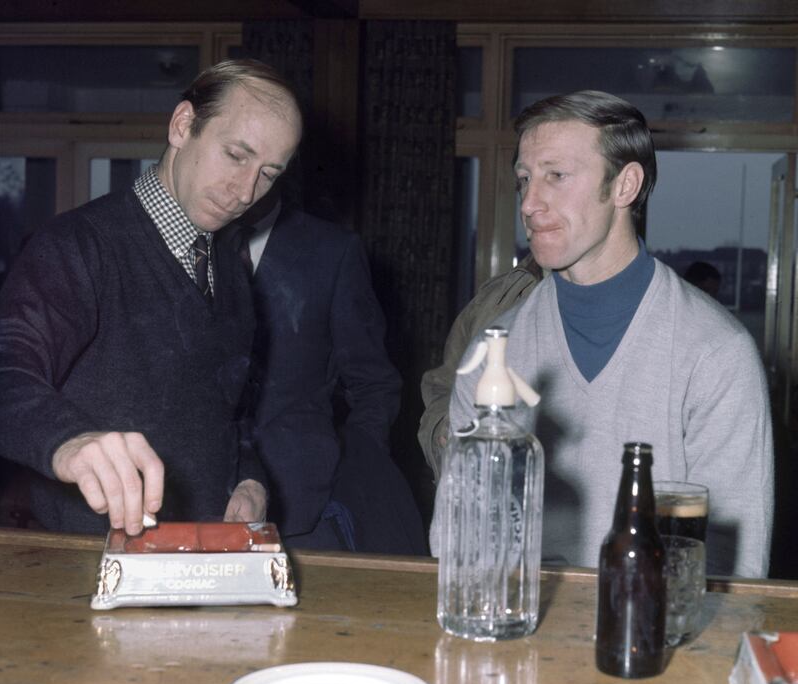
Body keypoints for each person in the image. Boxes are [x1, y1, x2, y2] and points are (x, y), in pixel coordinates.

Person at [440, 90, 773, 579]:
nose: (530, 203)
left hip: (652, 637)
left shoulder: (716, 352)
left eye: (557, 175)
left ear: (625, 185)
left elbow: (733, 565)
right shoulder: (496, 350)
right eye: (524, 180)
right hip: (520, 625)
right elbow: (457, 534)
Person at [0, 59, 302, 536]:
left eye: (268, 174)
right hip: (88, 566)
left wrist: (249, 478)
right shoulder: (76, 246)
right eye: (236, 155)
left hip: (204, 559)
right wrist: (68, 442)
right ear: (183, 126)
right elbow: (7, 369)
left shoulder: (231, 271)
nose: (246, 192)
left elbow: (231, 412)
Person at [223, 187, 428, 554]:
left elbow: (374, 384)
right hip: (190, 506)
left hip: (302, 514)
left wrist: (349, 466)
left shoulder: (330, 251)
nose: (247, 180)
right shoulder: (188, 239)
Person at [418, 253, 543, 482]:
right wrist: (444, 433)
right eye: (522, 213)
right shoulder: (499, 295)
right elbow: (443, 384)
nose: (528, 214)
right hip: (483, 502)